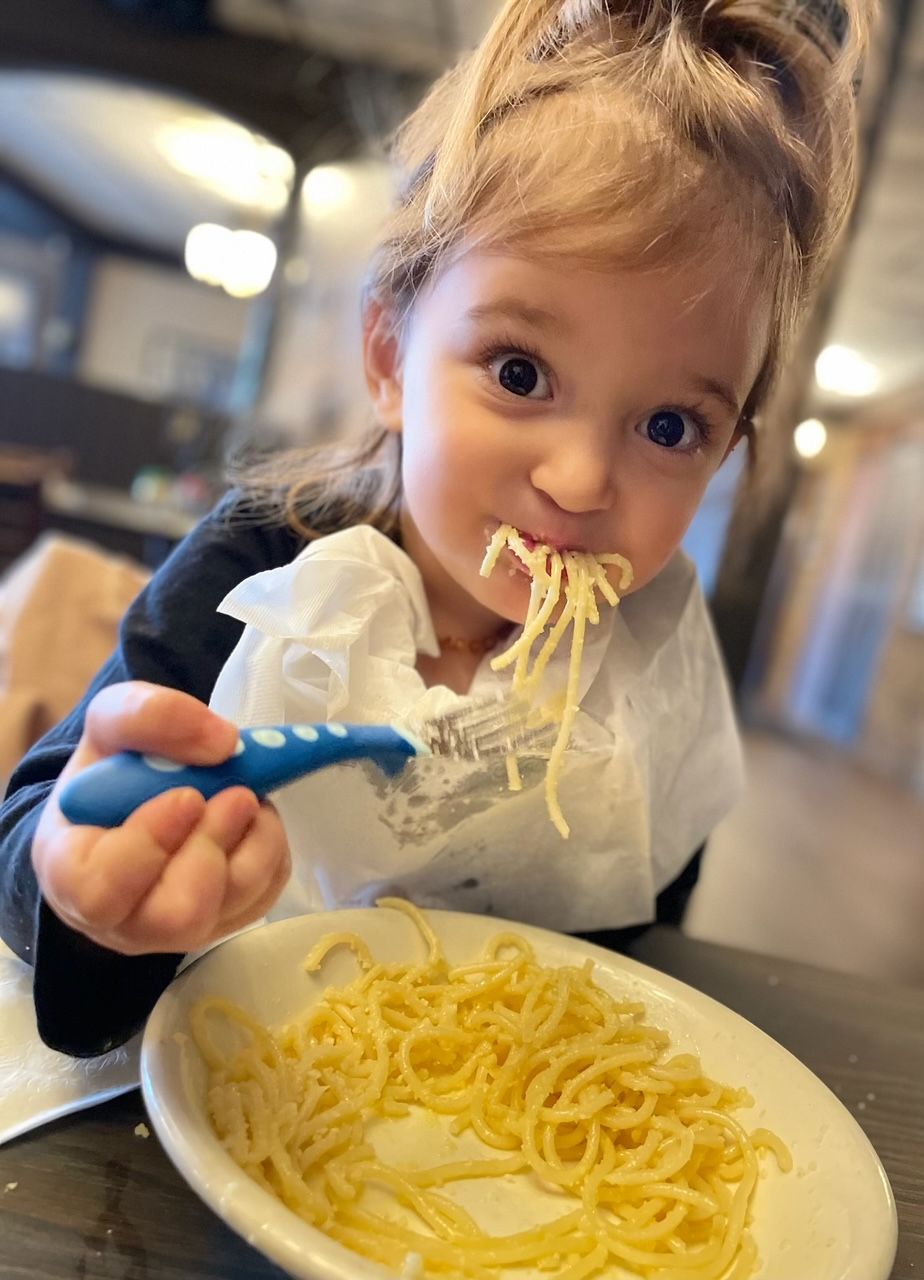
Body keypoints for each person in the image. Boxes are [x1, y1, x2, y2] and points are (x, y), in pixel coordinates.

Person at [0, 0, 870, 1056]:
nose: (581, 477)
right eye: (519, 372)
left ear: (725, 452)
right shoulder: (266, 562)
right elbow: (39, 830)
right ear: (388, 356)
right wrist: (92, 890)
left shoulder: (653, 659)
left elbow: (639, 936)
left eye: (670, 424)